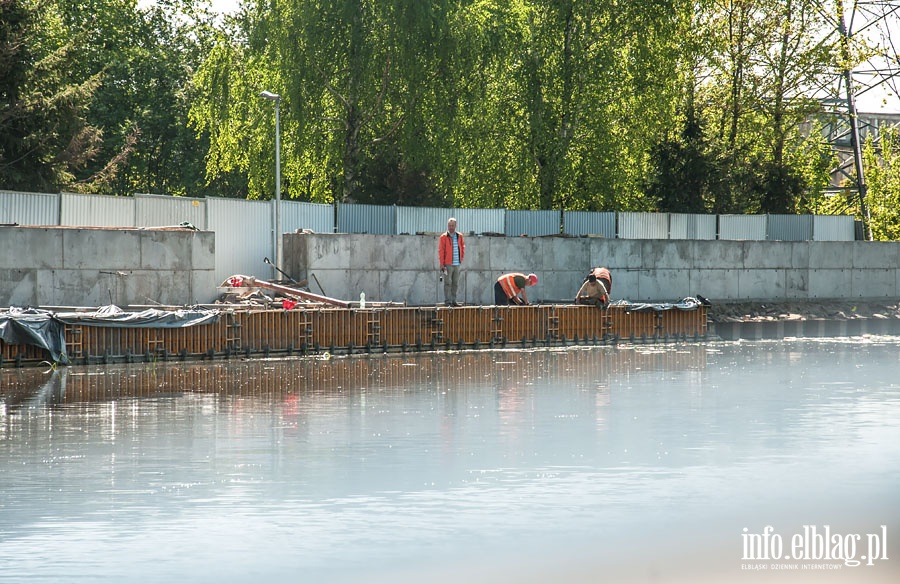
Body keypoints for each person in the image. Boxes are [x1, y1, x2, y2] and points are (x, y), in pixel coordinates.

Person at [438, 217, 465, 307]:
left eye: (452, 225)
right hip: (448, 264)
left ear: (456, 226)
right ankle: (448, 301)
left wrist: (461, 258)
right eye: (449, 225)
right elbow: (441, 250)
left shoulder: (459, 236)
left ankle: (454, 300)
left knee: (455, 283)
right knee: (447, 283)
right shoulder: (444, 237)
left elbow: (462, 247)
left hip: (457, 264)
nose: (451, 227)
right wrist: (442, 263)